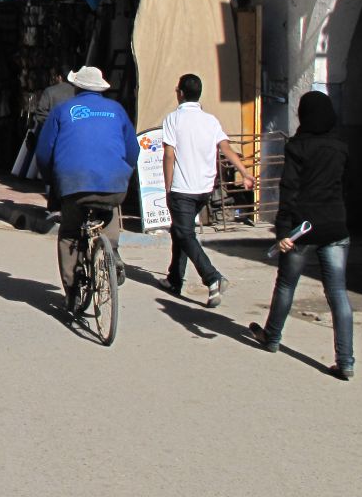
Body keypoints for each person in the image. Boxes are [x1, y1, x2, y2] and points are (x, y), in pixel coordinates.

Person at [249, 91, 355, 379]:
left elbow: (289, 190)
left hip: (301, 229)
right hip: (335, 226)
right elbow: (347, 187)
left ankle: (272, 337)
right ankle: (345, 361)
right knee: (337, 294)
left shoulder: (298, 146)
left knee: (286, 285)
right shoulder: (341, 147)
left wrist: (282, 231)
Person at [34, 65, 139, 315]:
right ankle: (112, 252)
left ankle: (71, 293)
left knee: (70, 233)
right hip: (114, 181)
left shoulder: (62, 111)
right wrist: (121, 171)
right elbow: (133, 150)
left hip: (74, 182)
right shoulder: (116, 110)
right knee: (109, 210)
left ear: (76, 87)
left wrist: (52, 181)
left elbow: (44, 152)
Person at [161, 73, 255, 307]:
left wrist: (167, 186)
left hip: (182, 188)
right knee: (180, 231)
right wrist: (244, 172)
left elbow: (169, 155)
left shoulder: (173, 119)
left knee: (185, 234)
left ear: (180, 93)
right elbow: (226, 148)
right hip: (204, 188)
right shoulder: (210, 120)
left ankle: (212, 278)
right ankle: (174, 279)